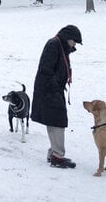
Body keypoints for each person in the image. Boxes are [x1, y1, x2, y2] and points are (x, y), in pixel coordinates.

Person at [31, 25, 82, 168]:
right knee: (57, 122)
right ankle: (57, 157)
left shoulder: (60, 45)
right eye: (74, 42)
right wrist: (54, 85)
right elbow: (46, 69)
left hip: (53, 89)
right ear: (68, 38)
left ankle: (53, 153)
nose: (75, 45)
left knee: (55, 120)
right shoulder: (54, 45)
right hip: (49, 90)